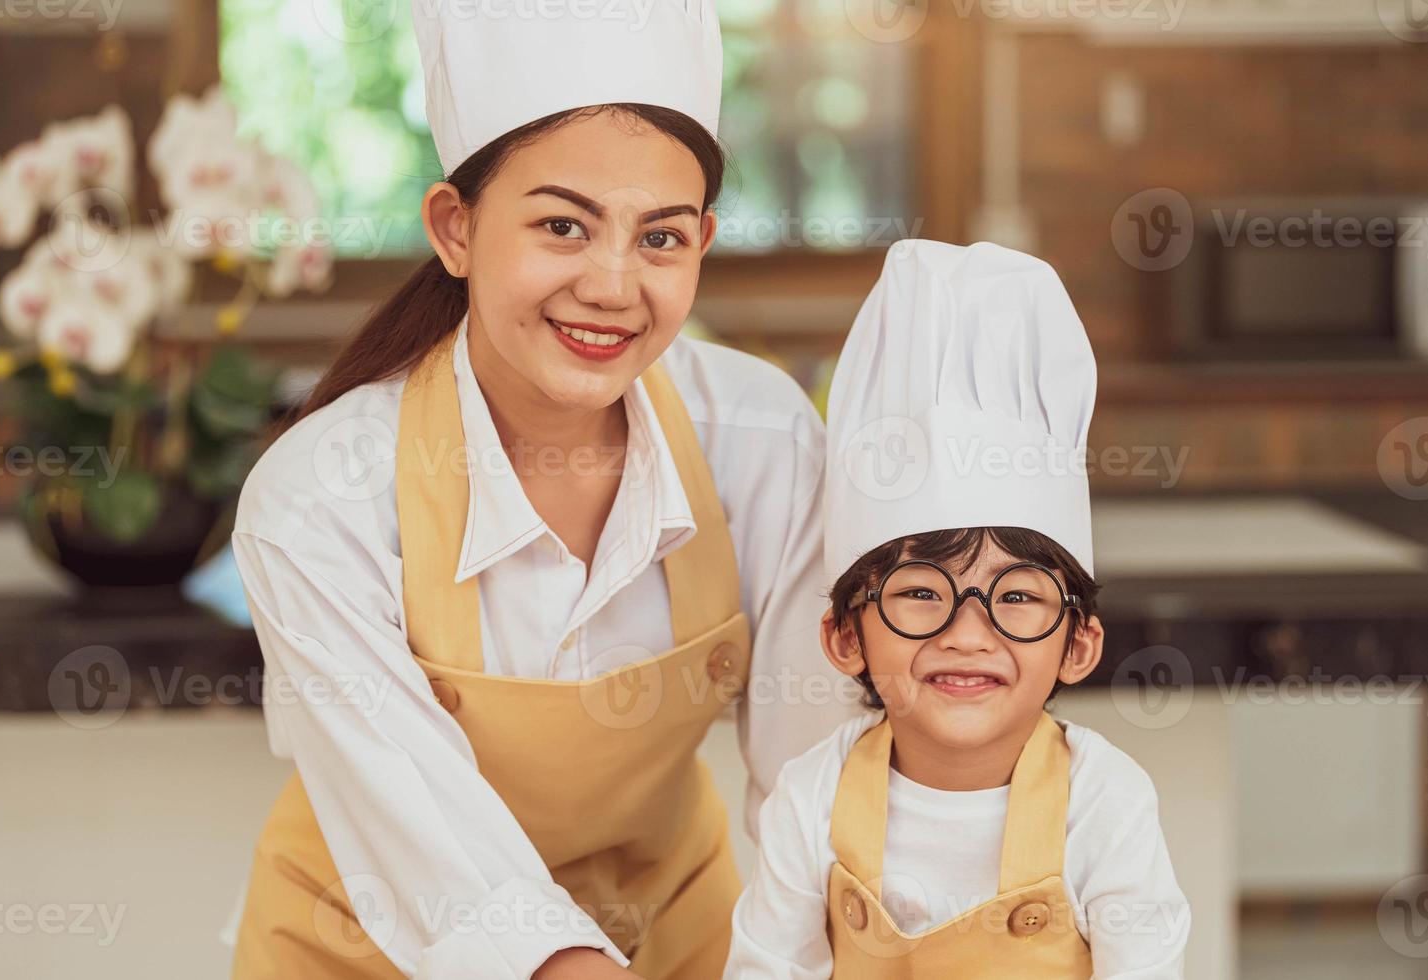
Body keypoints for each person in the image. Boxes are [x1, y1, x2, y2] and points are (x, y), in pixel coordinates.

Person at [226, 2, 856, 977]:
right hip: (369, 946)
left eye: (661, 238)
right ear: (456, 226)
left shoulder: (763, 443)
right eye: (563, 224)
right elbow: (430, 846)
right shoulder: (319, 498)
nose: (612, 284)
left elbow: (815, 779)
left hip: (673, 937)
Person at [723, 240, 1191, 978]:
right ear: (845, 637)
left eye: (1015, 597)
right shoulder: (811, 797)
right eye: (919, 594)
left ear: (1077, 644)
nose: (967, 634)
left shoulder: (1102, 800)